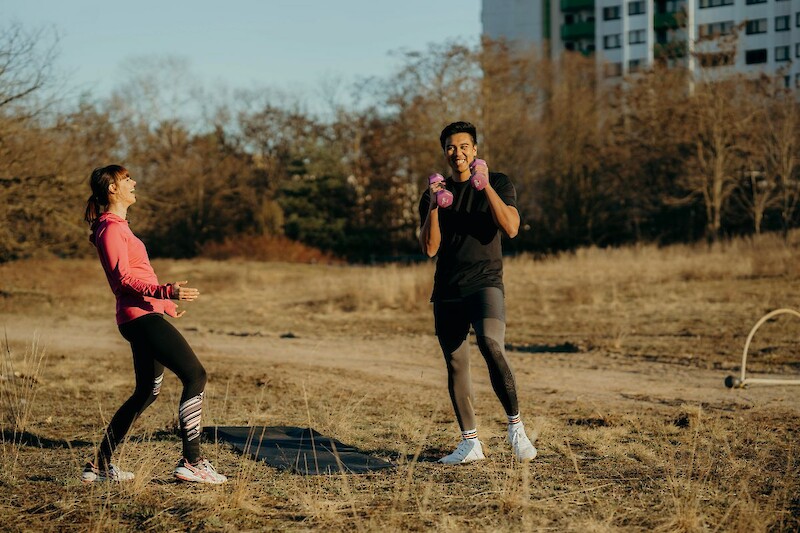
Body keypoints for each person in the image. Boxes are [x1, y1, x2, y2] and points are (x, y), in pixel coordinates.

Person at [80, 165, 226, 484]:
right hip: (139, 319)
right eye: (126, 179)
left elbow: (138, 274)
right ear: (112, 190)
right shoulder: (111, 228)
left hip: (146, 315)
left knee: (146, 391)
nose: (134, 182)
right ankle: (193, 461)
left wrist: (164, 304)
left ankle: (100, 466)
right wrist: (163, 291)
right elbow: (123, 279)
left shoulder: (119, 226)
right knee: (195, 374)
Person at [418, 121, 537, 464]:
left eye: (464, 146)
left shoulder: (497, 182)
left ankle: (516, 429)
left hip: (485, 283)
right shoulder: (434, 194)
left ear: (475, 150)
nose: (458, 153)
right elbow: (429, 248)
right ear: (445, 153)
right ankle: (470, 444)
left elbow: (511, 228)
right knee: (456, 364)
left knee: (489, 342)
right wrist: (435, 206)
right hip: (448, 288)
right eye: (451, 148)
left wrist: (483, 187)